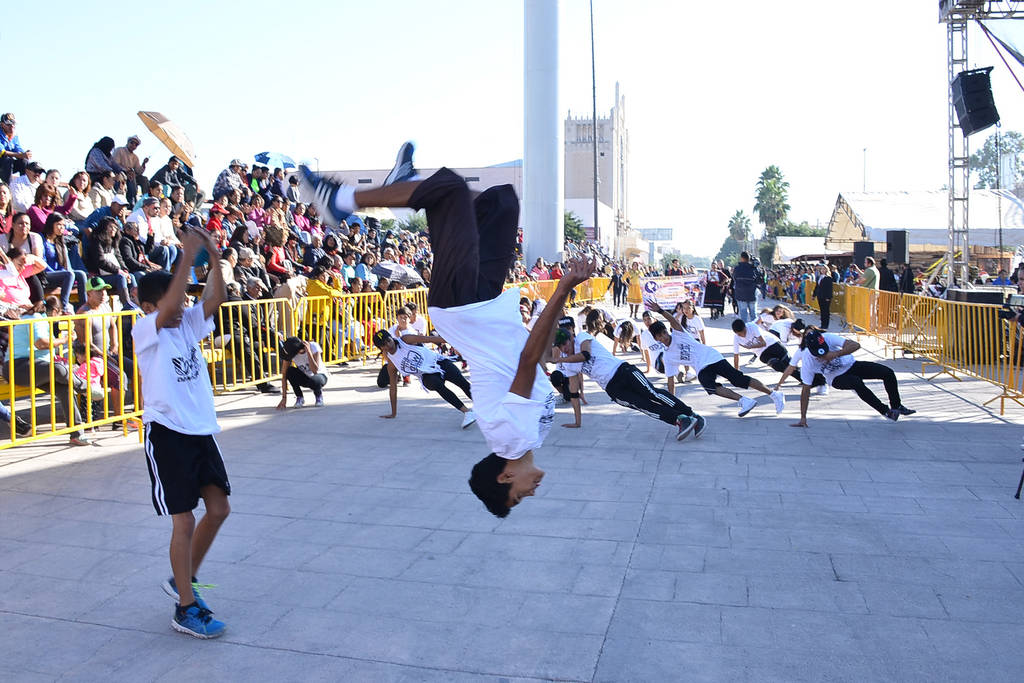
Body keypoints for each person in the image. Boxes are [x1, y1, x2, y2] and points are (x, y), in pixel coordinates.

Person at [302, 144, 590, 517]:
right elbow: (535, 361)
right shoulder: (530, 438)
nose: (530, 493)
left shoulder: (513, 439)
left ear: (505, 477)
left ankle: (339, 200)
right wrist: (558, 313)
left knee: (451, 189)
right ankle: (409, 187)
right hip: (485, 306)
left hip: (461, 308)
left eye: (518, 496)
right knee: (501, 202)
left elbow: (526, 361)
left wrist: (562, 290)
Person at [133, 226, 230, 639]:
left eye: (184, 300)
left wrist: (215, 257)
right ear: (148, 306)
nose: (183, 306)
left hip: (200, 430)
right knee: (184, 520)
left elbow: (216, 298)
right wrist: (187, 255)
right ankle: (185, 608)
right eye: (174, 300)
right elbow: (172, 302)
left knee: (219, 509)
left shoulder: (186, 324)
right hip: (167, 433)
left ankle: (183, 577)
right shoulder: (145, 330)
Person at [649, 302, 785, 417]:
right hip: (701, 367)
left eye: (664, 333)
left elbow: (673, 321)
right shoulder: (668, 357)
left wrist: (660, 310)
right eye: (660, 336)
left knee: (738, 379)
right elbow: (670, 381)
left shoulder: (679, 334)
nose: (664, 337)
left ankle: (774, 394)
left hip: (711, 357)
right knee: (708, 385)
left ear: (667, 331)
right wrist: (673, 403)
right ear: (656, 339)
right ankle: (744, 401)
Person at [776, 328, 916, 426]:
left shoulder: (829, 338)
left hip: (852, 365)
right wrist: (803, 418)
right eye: (819, 355)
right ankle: (885, 411)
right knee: (856, 382)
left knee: (887, 372)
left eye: (825, 352)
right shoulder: (807, 360)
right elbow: (806, 390)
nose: (823, 357)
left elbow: (855, 345)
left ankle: (896, 405)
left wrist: (836, 354)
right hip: (836, 378)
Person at [374, 328, 477, 427]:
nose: (388, 345)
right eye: (384, 345)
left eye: (388, 341)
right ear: (381, 348)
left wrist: (456, 343)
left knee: (462, 382)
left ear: (392, 337)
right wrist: (393, 413)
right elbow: (393, 388)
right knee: (434, 383)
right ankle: (467, 413)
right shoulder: (392, 364)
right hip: (427, 375)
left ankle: (483, 406)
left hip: (438, 362)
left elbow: (430, 339)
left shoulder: (405, 340)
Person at [276, 336, 328, 408]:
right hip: (305, 378)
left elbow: (315, 370)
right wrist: (284, 398)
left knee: (314, 380)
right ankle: (299, 397)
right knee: (289, 371)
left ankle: (319, 396)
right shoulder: (291, 355)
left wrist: (309, 352)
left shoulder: (313, 346)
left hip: (320, 376)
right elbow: (284, 375)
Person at [0, 113, 32, 184]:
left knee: (24, 161)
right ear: (2, 124)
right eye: (8, 124)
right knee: (7, 160)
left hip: (8, 165)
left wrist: (25, 154)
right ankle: (7, 186)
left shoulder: (14, 136)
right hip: (3, 164)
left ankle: (25, 185)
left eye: (13, 124)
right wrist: (21, 155)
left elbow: (18, 149)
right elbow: (2, 152)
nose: (12, 126)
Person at [731, 251, 758, 321]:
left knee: (743, 315)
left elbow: (734, 278)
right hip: (752, 294)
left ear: (741, 258)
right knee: (753, 315)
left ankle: (744, 328)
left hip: (741, 294)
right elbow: (759, 280)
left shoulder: (737, 268)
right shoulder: (753, 268)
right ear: (749, 258)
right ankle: (754, 327)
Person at [812, 263, 834, 329]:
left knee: (826, 311)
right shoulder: (819, 277)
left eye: (824, 269)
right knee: (822, 311)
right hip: (820, 296)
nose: (823, 270)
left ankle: (826, 325)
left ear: (827, 270)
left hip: (826, 297)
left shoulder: (828, 278)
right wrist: (814, 295)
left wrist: (828, 297)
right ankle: (822, 324)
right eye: (821, 269)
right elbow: (817, 287)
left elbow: (830, 288)